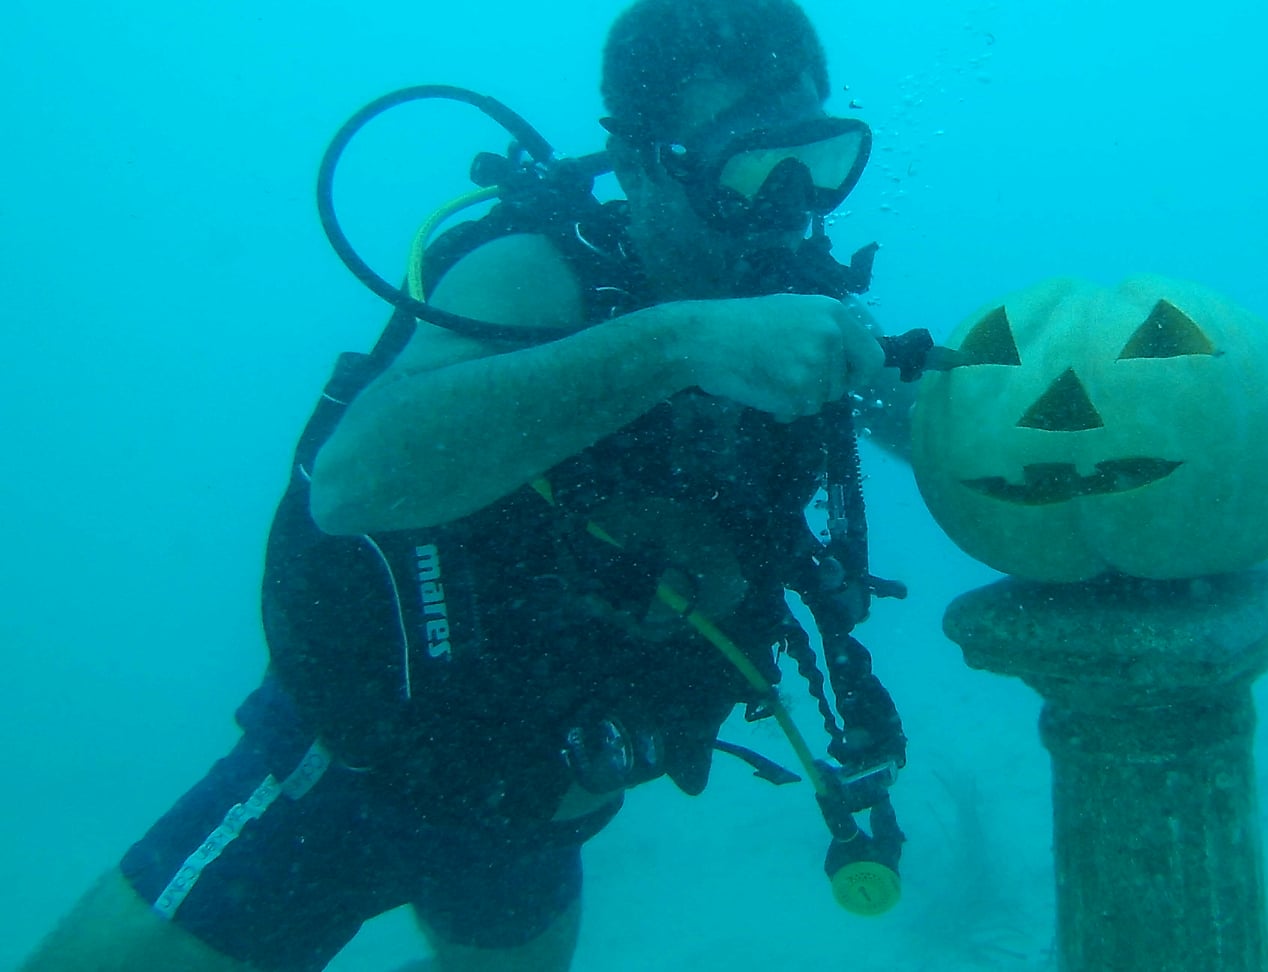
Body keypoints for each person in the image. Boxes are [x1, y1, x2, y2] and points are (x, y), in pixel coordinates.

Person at [22, 1, 916, 969]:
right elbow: (355, 482)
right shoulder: (531, 278)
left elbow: (960, 424)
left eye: (819, 160)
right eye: (751, 161)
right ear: (647, 157)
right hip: (350, 785)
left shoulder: (791, 304)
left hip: (536, 811)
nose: (791, 203)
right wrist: (681, 341)